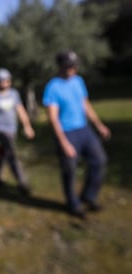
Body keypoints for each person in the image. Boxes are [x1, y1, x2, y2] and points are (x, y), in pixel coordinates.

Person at [42, 50, 111, 219]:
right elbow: (52, 118)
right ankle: (73, 204)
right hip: (66, 133)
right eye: (69, 66)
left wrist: (99, 125)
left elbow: (85, 104)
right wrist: (64, 143)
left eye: (74, 66)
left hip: (84, 130)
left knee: (99, 161)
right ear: (61, 66)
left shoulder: (78, 81)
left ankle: (89, 196)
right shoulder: (53, 87)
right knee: (70, 170)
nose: (72, 69)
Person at [0, 68, 35, 195]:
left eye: (7, 80)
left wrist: (27, 126)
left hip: (13, 131)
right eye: (2, 81)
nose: (5, 83)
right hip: (0, 131)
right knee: (12, 156)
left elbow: (20, 110)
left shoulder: (14, 94)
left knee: (3, 154)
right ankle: (23, 183)